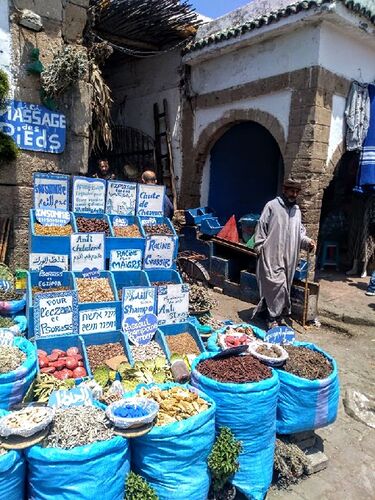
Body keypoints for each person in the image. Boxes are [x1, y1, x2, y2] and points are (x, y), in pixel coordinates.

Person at [253, 179, 316, 330]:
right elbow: (261, 227)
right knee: (277, 286)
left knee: (281, 287)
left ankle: (269, 312)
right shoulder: (272, 206)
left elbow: (299, 234)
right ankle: (272, 318)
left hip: (289, 259)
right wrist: (260, 247)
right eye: (291, 191)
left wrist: (307, 242)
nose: (293, 194)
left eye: (296, 192)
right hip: (271, 256)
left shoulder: (297, 211)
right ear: (284, 189)